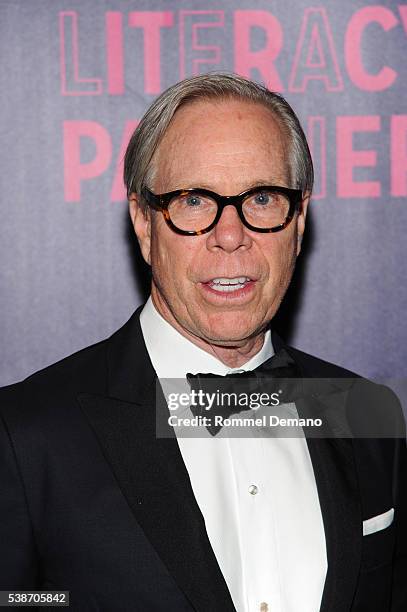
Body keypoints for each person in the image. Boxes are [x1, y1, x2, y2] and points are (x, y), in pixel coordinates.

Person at [0, 73, 405, 612]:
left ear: (300, 219)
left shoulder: (365, 416)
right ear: (144, 222)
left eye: (262, 198)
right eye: (193, 201)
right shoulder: (25, 438)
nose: (231, 235)